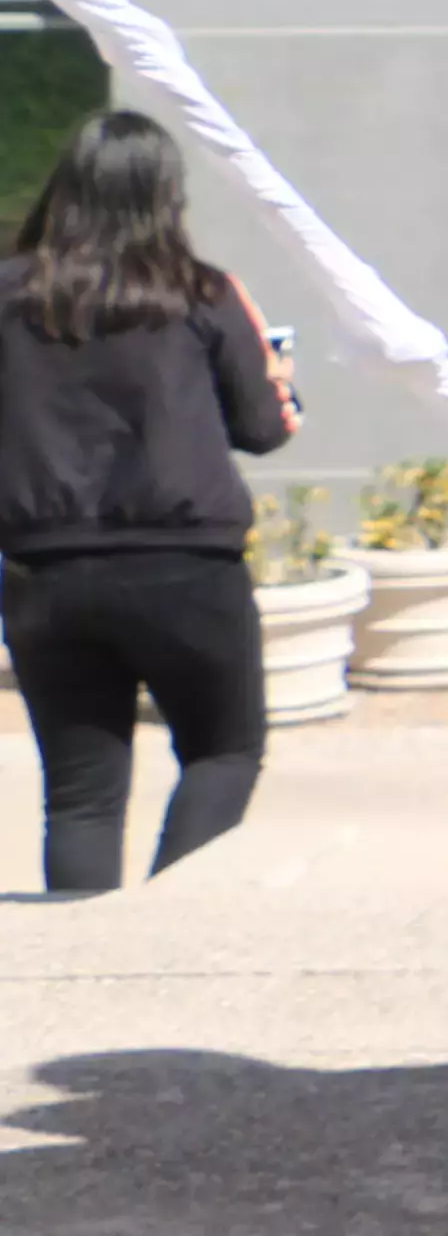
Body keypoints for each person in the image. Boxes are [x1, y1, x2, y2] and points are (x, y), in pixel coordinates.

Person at [1, 114, 292, 894]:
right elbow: (267, 427)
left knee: (81, 795)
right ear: (165, 197)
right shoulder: (204, 293)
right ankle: (168, 932)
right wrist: (279, 374)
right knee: (224, 752)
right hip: (187, 563)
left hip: (45, 569)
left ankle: (85, 966)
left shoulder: (8, 296)